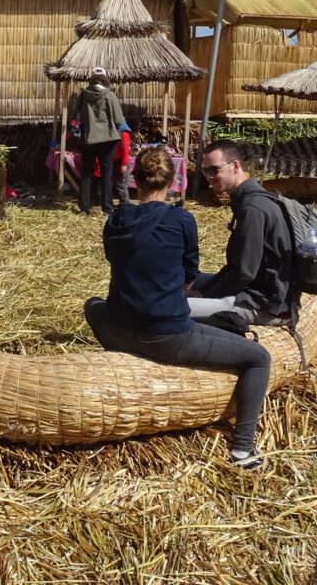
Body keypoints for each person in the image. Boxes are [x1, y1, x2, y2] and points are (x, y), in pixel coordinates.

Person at [83, 146, 271, 468]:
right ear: (173, 182)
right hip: (166, 337)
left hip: (116, 327)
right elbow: (188, 280)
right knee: (259, 359)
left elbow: (118, 262)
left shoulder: (115, 220)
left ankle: (125, 352)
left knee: (92, 304)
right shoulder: (181, 219)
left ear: (134, 181)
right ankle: (243, 449)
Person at [187, 139, 293, 326]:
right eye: (205, 171)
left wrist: (205, 294)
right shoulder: (251, 199)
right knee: (187, 279)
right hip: (256, 289)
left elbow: (244, 272)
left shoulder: (252, 208)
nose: (209, 177)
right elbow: (237, 268)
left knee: (174, 308)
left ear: (235, 166)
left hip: (264, 303)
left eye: (214, 170)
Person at [75, 67, 126, 216]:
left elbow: (76, 115)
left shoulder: (83, 95)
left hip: (88, 138)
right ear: (106, 79)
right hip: (107, 139)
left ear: (91, 79)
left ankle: (84, 208)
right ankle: (107, 209)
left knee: (86, 173)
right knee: (106, 173)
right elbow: (118, 119)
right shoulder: (110, 95)